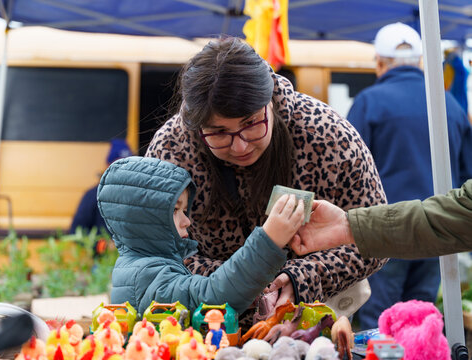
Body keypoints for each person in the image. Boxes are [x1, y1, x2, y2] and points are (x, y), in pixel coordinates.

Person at [145, 36, 387, 324]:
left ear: (270, 99)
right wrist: (239, 282)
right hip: (207, 323)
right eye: (219, 133)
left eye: (250, 124)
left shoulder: (328, 136)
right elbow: (153, 248)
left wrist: (303, 278)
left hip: (308, 320)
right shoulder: (171, 149)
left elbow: (375, 236)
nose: (240, 146)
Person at [346, 22, 472, 329]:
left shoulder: (369, 102)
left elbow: (346, 174)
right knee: (421, 321)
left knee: (379, 324)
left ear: (379, 63)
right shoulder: (449, 104)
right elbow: (468, 172)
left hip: (382, 232)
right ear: (420, 61)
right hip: (440, 230)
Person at [96, 156, 305, 315]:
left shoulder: (145, 264)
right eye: (175, 210)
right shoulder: (145, 275)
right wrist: (269, 240)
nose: (187, 221)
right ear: (143, 219)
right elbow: (211, 298)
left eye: (185, 210)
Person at [290, 179, 472, 258]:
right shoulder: (453, 107)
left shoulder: (368, 104)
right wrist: (349, 225)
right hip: (392, 227)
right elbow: (458, 213)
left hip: (391, 223)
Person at [70, 138, 133, 235]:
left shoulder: (135, 196)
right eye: (118, 165)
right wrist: (101, 246)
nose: (123, 170)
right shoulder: (92, 196)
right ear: (108, 166)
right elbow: (77, 231)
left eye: (128, 165)